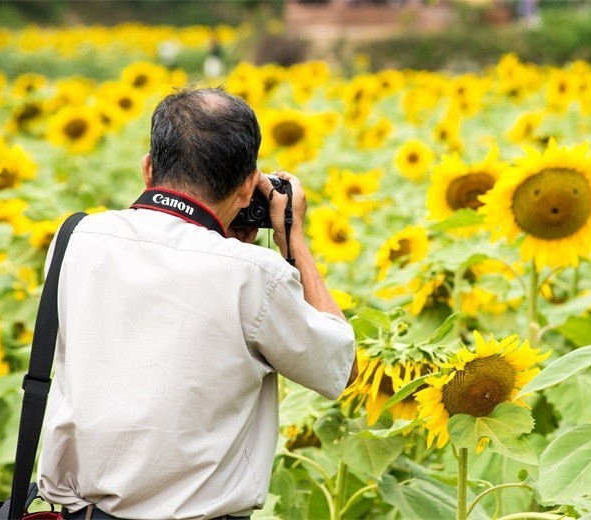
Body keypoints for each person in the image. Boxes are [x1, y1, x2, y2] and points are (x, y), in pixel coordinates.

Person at [36, 87, 359, 519]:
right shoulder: (253, 274)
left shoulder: (75, 238)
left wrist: (220, 240)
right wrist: (291, 235)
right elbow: (340, 367)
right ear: (248, 188)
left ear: (148, 169)